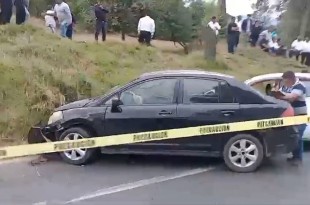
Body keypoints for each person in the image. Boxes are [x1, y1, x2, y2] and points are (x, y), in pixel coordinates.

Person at [275, 71, 307, 165]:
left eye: (286, 81)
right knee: (292, 136)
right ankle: (294, 156)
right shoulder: (285, 86)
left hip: (300, 116)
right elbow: (281, 93)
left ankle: (298, 158)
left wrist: (280, 96)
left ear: (290, 79)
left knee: (298, 137)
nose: (284, 83)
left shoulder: (299, 86)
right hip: (290, 116)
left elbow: (292, 97)